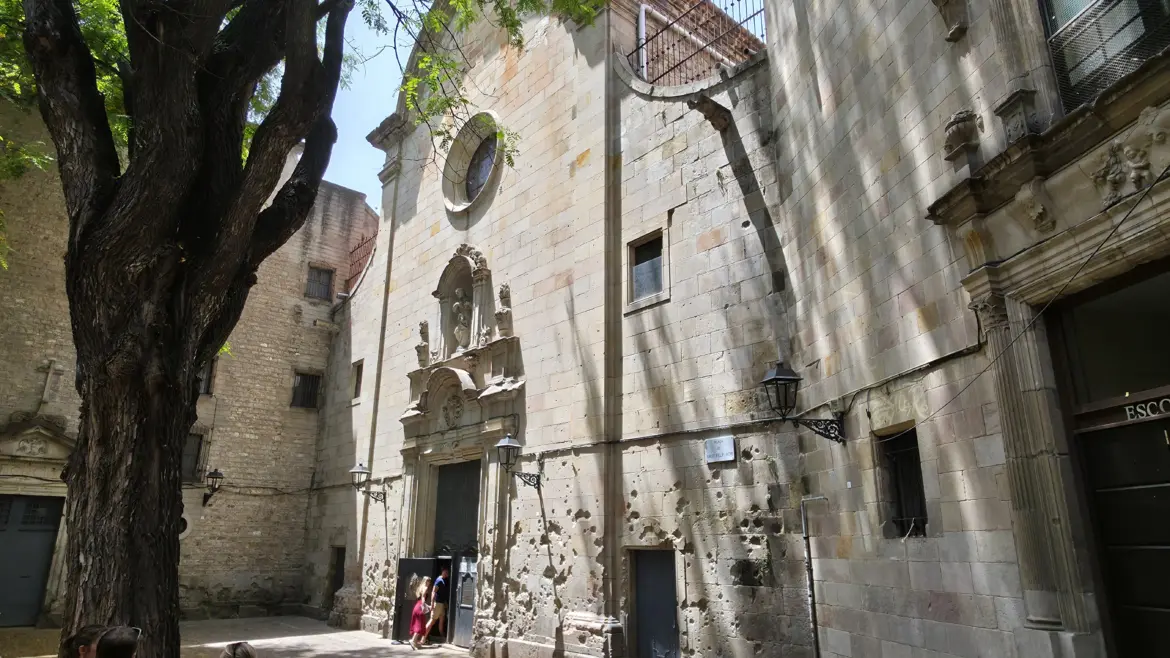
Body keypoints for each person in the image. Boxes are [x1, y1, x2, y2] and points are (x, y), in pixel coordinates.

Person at [424, 566, 450, 641]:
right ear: (443, 572)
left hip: (441, 604)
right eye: (446, 572)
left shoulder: (445, 580)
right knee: (432, 620)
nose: (447, 574)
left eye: (447, 573)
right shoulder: (439, 580)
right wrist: (432, 603)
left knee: (442, 619)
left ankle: (442, 636)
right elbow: (433, 592)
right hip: (437, 603)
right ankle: (423, 637)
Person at [408, 576, 433, 650]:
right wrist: (426, 607)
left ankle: (415, 642)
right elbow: (423, 599)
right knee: (420, 625)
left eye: (429, 581)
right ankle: (413, 641)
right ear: (425, 581)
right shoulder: (425, 588)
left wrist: (427, 606)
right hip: (419, 608)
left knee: (418, 624)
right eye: (428, 581)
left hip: (416, 606)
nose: (429, 583)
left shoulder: (420, 587)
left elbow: (420, 599)